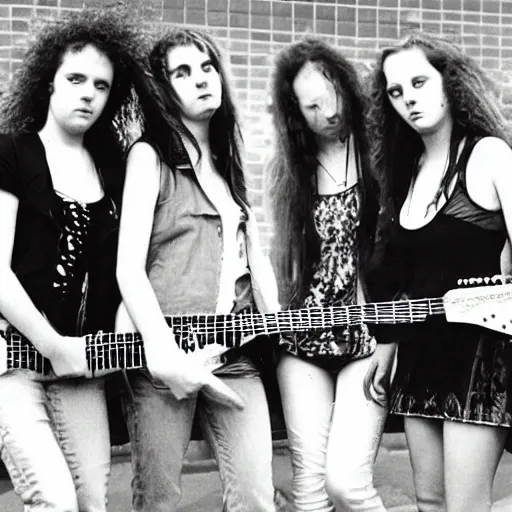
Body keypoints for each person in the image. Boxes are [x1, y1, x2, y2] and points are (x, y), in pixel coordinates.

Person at [115, 27, 281, 512]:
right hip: (163, 353)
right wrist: (163, 355)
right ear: (164, 89)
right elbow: (129, 268)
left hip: (236, 350)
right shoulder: (149, 157)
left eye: (207, 67)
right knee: (159, 499)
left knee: (255, 496)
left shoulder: (229, 162)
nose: (202, 79)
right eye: (183, 72)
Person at [0, 8, 153, 512]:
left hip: (85, 368)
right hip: (11, 365)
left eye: (102, 85)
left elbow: (125, 268)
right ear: (49, 83)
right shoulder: (12, 154)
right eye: (76, 78)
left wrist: (122, 329)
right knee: (55, 501)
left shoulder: (114, 171)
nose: (88, 92)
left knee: (91, 501)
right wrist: (54, 346)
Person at [367, 33, 512, 512]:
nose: (408, 97)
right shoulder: (406, 174)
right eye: (395, 91)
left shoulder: (489, 155)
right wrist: (386, 349)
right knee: (430, 501)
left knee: (466, 507)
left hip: (478, 357)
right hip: (419, 356)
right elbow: (399, 277)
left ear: (450, 85)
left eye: (419, 82)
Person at [266, 37, 394, 512]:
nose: (328, 112)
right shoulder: (288, 171)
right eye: (312, 105)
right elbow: (286, 263)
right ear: (296, 114)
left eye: (333, 94)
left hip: (369, 334)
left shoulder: (379, 153)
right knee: (311, 492)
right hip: (303, 337)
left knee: (348, 485)